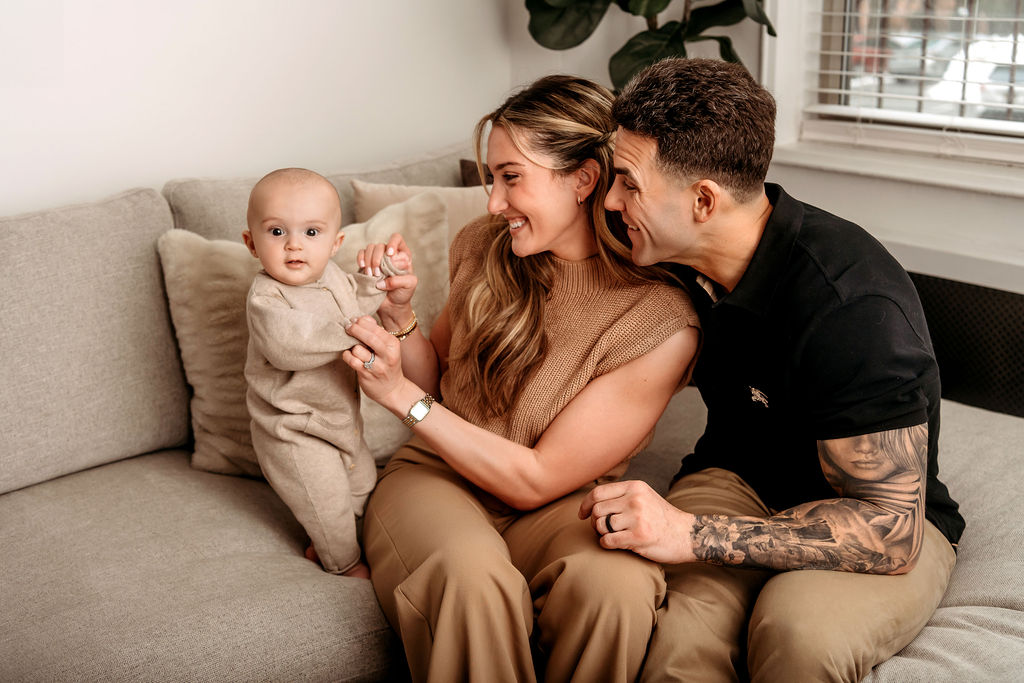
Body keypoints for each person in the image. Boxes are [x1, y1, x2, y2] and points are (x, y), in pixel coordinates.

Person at [579, 58, 966, 681]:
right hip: (736, 477)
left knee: (796, 632)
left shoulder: (853, 309)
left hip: (873, 513)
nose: (612, 200)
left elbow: (890, 528)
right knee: (678, 638)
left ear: (702, 200)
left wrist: (691, 535)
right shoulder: (671, 247)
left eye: (626, 182)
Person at [338, 75, 701, 682]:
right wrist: (402, 319)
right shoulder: (484, 246)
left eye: (511, 177)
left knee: (617, 586)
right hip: (437, 478)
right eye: (492, 178)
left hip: (559, 500)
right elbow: (441, 383)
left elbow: (534, 482)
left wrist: (400, 398)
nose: (493, 203)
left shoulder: (660, 320)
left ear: (583, 179)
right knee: (470, 578)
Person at [242, 168, 405, 579]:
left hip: (343, 423)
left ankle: (331, 542)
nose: (294, 244)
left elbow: (357, 298)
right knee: (327, 506)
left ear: (336, 244)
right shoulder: (267, 298)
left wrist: (379, 278)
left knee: (365, 491)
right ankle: (343, 564)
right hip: (294, 431)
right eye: (276, 232)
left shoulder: (333, 276)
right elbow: (287, 345)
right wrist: (356, 331)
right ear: (251, 243)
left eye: (311, 233)